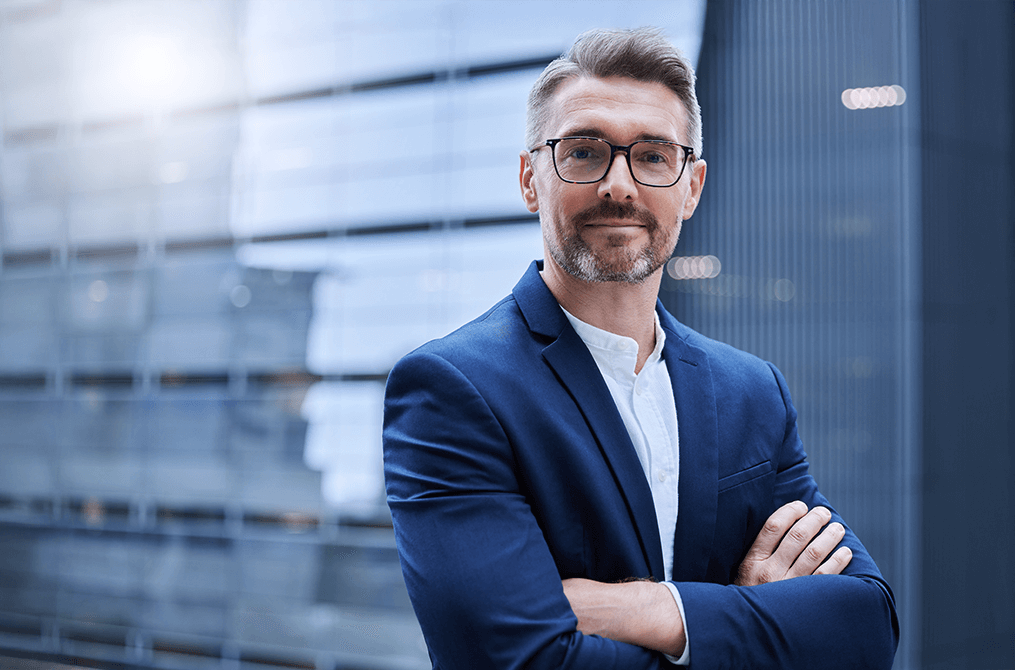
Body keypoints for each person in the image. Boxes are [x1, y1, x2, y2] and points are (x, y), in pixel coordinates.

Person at [382, 27, 899, 669]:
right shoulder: (450, 390)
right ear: (529, 179)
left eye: (654, 156)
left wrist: (657, 610)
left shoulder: (752, 392)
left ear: (692, 187)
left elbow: (866, 626)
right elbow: (525, 661)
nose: (620, 185)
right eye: (584, 151)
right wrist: (751, 624)